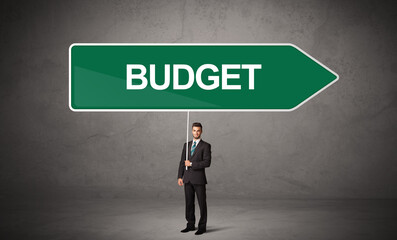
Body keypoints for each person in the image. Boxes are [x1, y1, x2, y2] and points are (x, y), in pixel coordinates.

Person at [177, 122, 212, 235]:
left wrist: (191, 164)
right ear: (191, 131)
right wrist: (179, 176)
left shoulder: (206, 146)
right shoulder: (186, 145)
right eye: (194, 130)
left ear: (201, 131)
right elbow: (182, 162)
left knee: (202, 203)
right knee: (189, 203)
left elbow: (207, 163)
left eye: (198, 130)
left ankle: (202, 227)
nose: (196, 132)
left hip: (199, 179)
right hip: (187, 179)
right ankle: (190, 225)